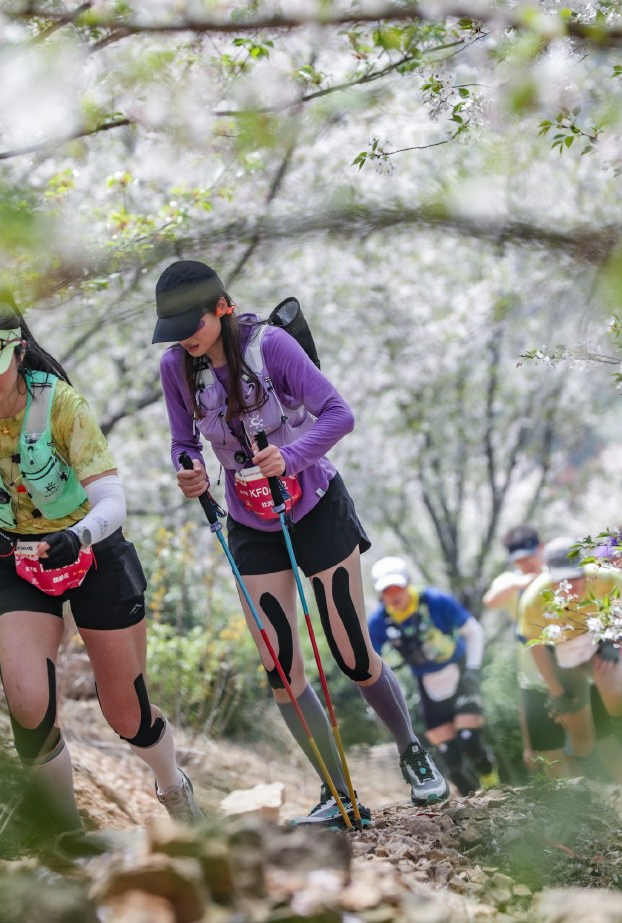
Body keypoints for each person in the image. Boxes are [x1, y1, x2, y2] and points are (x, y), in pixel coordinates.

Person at [155, 260, 450, 827]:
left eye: (189, 323)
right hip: (248, 520)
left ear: (220, 307)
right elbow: (181, 441)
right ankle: (336, 793)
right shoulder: (178, 367)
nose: (183, 339)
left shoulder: (272, 347)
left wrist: (290, 456)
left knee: (351, 652)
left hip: (315, 507)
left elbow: (340, 414)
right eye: (172, 330)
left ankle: (412, 752)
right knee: (280, 668)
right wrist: (189, 469)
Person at [0, 296, 204, 840]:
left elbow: (113, 501)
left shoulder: (62, 406)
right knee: (29, 706)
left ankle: (173, 787)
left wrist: (74, 536)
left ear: (19, 352)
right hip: (15, 558)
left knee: (126, 712)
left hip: (93, 552)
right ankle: (67, 836)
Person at [368, 556, 498, 795]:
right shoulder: (379, 621)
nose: (394, 595)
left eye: (398, 587)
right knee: (450, 757)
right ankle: (473, 799)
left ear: (408, 582)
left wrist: (473, 669)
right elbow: (368, 658)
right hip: (427, 684)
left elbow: (474, 632)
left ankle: (494, 789)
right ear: (380, 594)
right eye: (387, 591)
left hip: (460, 674)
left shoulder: (436, 601)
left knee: (470, 740)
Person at [516, 536, 622, 779]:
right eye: (562, 579)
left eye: (575, 576)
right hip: (562, 654)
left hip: (598, 643)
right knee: (580, 734)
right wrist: (555, 691)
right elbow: (537, 648)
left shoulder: (605, 577)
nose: (571, 585)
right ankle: (597, 789)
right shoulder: (534, 597)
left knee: (617, 694)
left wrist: (613, 638)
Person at [484, 525, 570, 777]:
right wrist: (517, 583)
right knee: (550, 753)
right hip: (533, 675)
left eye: (529, 557)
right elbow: (491, 600)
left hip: (570, 667)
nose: (525, 564)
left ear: (541, 549)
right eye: (518, 561)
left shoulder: (563, 574)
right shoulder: (512, 581)